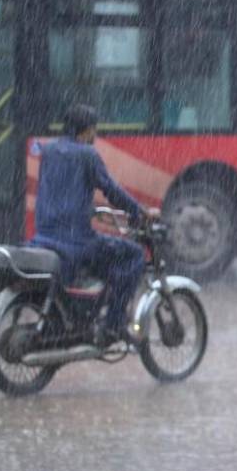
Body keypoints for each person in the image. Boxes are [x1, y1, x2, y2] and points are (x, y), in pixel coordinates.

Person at [29, 103, 147, 347]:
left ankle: (90, 311)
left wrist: (87, 208)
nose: (95, 135)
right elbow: (112, 191)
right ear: (85, 131)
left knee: (108, 254)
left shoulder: (49, 151)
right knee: (134, 255)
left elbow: (59, 190)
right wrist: (140, 213)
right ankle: (114, 325)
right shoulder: (87, 155)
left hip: (45, 236)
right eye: (94, 130)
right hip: (75, 241)